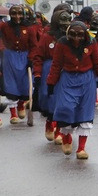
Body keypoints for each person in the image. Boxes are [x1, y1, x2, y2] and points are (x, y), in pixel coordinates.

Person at [47, 21, 98, 158]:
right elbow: (56, 64)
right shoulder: (62, 44)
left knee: (85, 112)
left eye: (80, 35)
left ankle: (81, 148)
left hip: (87, 80)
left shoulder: (91, 42)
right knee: (66, 108)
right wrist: (51, 83)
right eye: (73, 35)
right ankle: (67, 138)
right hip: (67, 79)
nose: (76, 38)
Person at [32, 8, 74, 141]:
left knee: (63, 99)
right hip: (49, 69)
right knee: (49, 97)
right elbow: (38, 56)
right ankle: (49, 122)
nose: (66, 24)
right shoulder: (47, 37)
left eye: (68, 20)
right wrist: (37, 74)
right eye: (63, 21)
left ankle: (59, 129)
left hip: (66, 70)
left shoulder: (72, 36)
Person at [0, 5, 33, 123]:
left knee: (25, 83)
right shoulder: (5, 26)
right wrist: (2, 48)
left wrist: (31, 58)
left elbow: (34, 44)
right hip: (9, 56)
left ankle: (21, 104)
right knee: (11, 83)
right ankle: (13, 114)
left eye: (20, 14)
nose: (17, 16)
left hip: (25, 56)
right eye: (14, 14)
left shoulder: (29, 27)